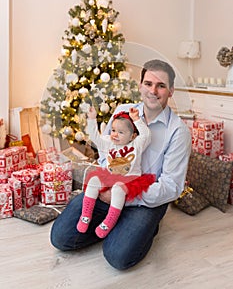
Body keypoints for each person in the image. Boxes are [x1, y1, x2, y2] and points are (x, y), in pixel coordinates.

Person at [50, 59, 192, 270]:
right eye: (148, 83)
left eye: (161, 85)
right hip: (109, 187)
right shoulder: (123, 111)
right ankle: (113, 222)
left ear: (171, 91)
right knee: (61, 238)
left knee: (117, 257)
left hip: (145, 199)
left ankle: (142, 227)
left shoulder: (178, 132)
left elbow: (171, 186)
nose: (153, 90)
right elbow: (105, 152)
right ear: (140, 85)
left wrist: (125, 195)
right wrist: (110, 182)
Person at [77, 106, 154, 238]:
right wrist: (91, 119)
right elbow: (95, 138)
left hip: (129, 178)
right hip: (111, 175)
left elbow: (146, 135)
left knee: (118, 189)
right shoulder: (108, 143)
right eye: (113, 130)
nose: (115, 134)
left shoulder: (136, 144)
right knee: (94, 181)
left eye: (121, 132)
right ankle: (85, 215)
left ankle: (110, 220)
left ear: (132, 136)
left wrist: (136, 119)